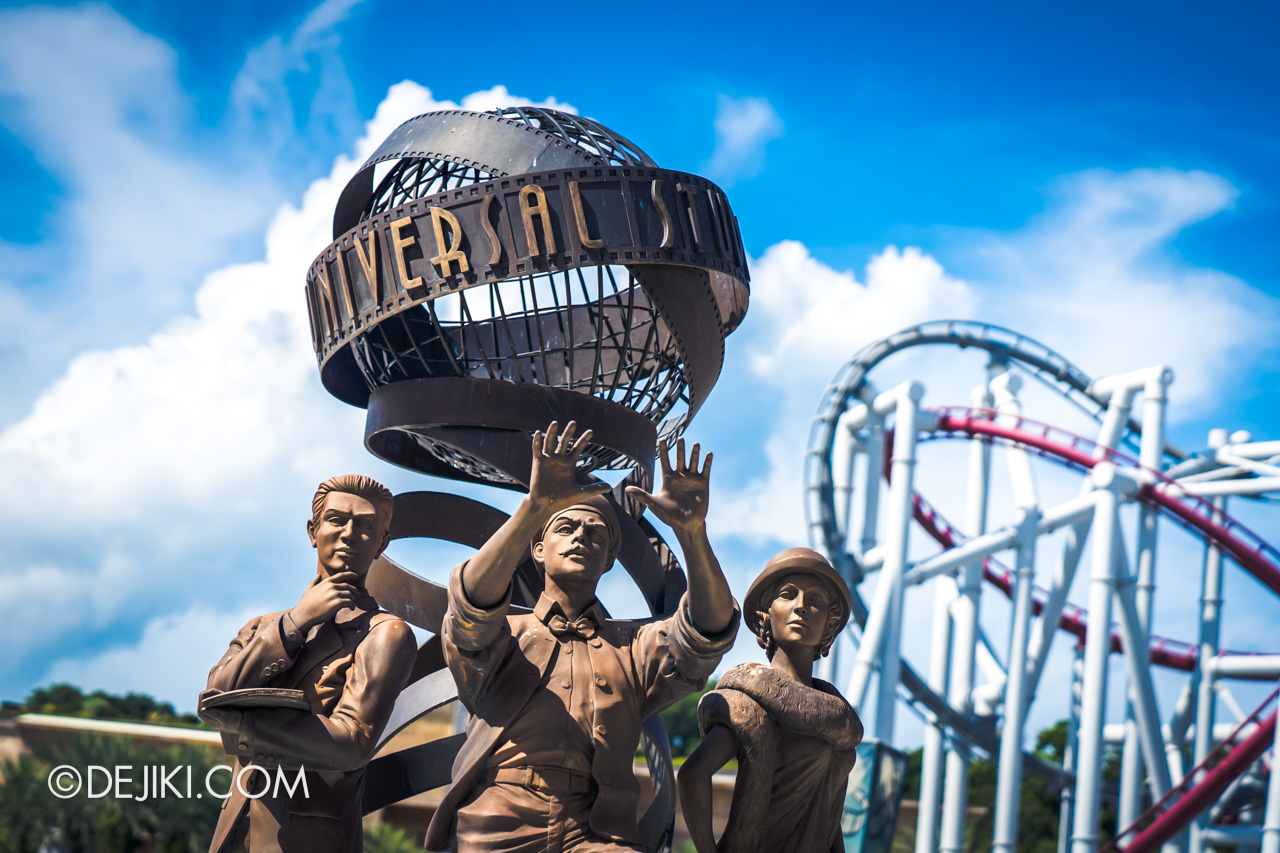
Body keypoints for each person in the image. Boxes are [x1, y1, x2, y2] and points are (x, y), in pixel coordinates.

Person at [426, 421, 739, 853]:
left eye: (595, 534)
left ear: (610, 558)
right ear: (538, 549)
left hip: (598, 831)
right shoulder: (505, 637)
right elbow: (469, 609)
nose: (580, 538)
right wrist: (534, 508)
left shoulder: (634, 648)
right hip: (500, 820)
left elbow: (706, 636)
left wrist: (692, 534)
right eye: (565, 528)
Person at [198, 475, 417, 853]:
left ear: (381, 543)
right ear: (312, 531)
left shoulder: (385, 634)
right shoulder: (263, 627)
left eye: (366, 526)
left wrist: (247, 727)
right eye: (336, 520)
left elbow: (352, 741)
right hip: (235, 835)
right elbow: (215, 694)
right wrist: (296, 622)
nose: (349, 533)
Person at [677, 548, 863, 853]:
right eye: (788, 595)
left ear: (829, 623)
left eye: (815, 600)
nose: (800, 607)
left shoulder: (838, 722)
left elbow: (829, 816)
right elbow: (692, 776)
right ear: (766, 612)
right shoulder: (748, 705)